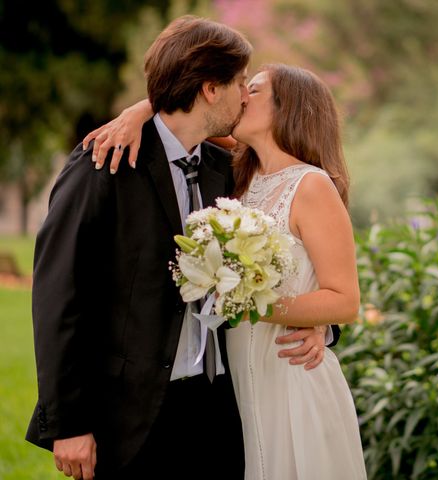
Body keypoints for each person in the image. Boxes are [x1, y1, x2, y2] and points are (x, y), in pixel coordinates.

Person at [26, 16, 330, 480]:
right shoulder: (102, 163)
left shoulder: (226, 169)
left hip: (220, 408)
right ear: (211, 88)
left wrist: (318, 322)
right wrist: (68, 423)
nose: (245, 94)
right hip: (128, 416)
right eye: (240, 82)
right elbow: (58, 297)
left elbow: (294, 245)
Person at [84, 64, 367, 478]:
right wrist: (139, 111)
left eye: (253, 89)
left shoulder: (312, 186)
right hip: (240, 387)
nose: (241, 96)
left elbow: (345, 300)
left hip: (291, 378)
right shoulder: (237, 175)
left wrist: (250, 305)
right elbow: (185, 116)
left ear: (287, 108)